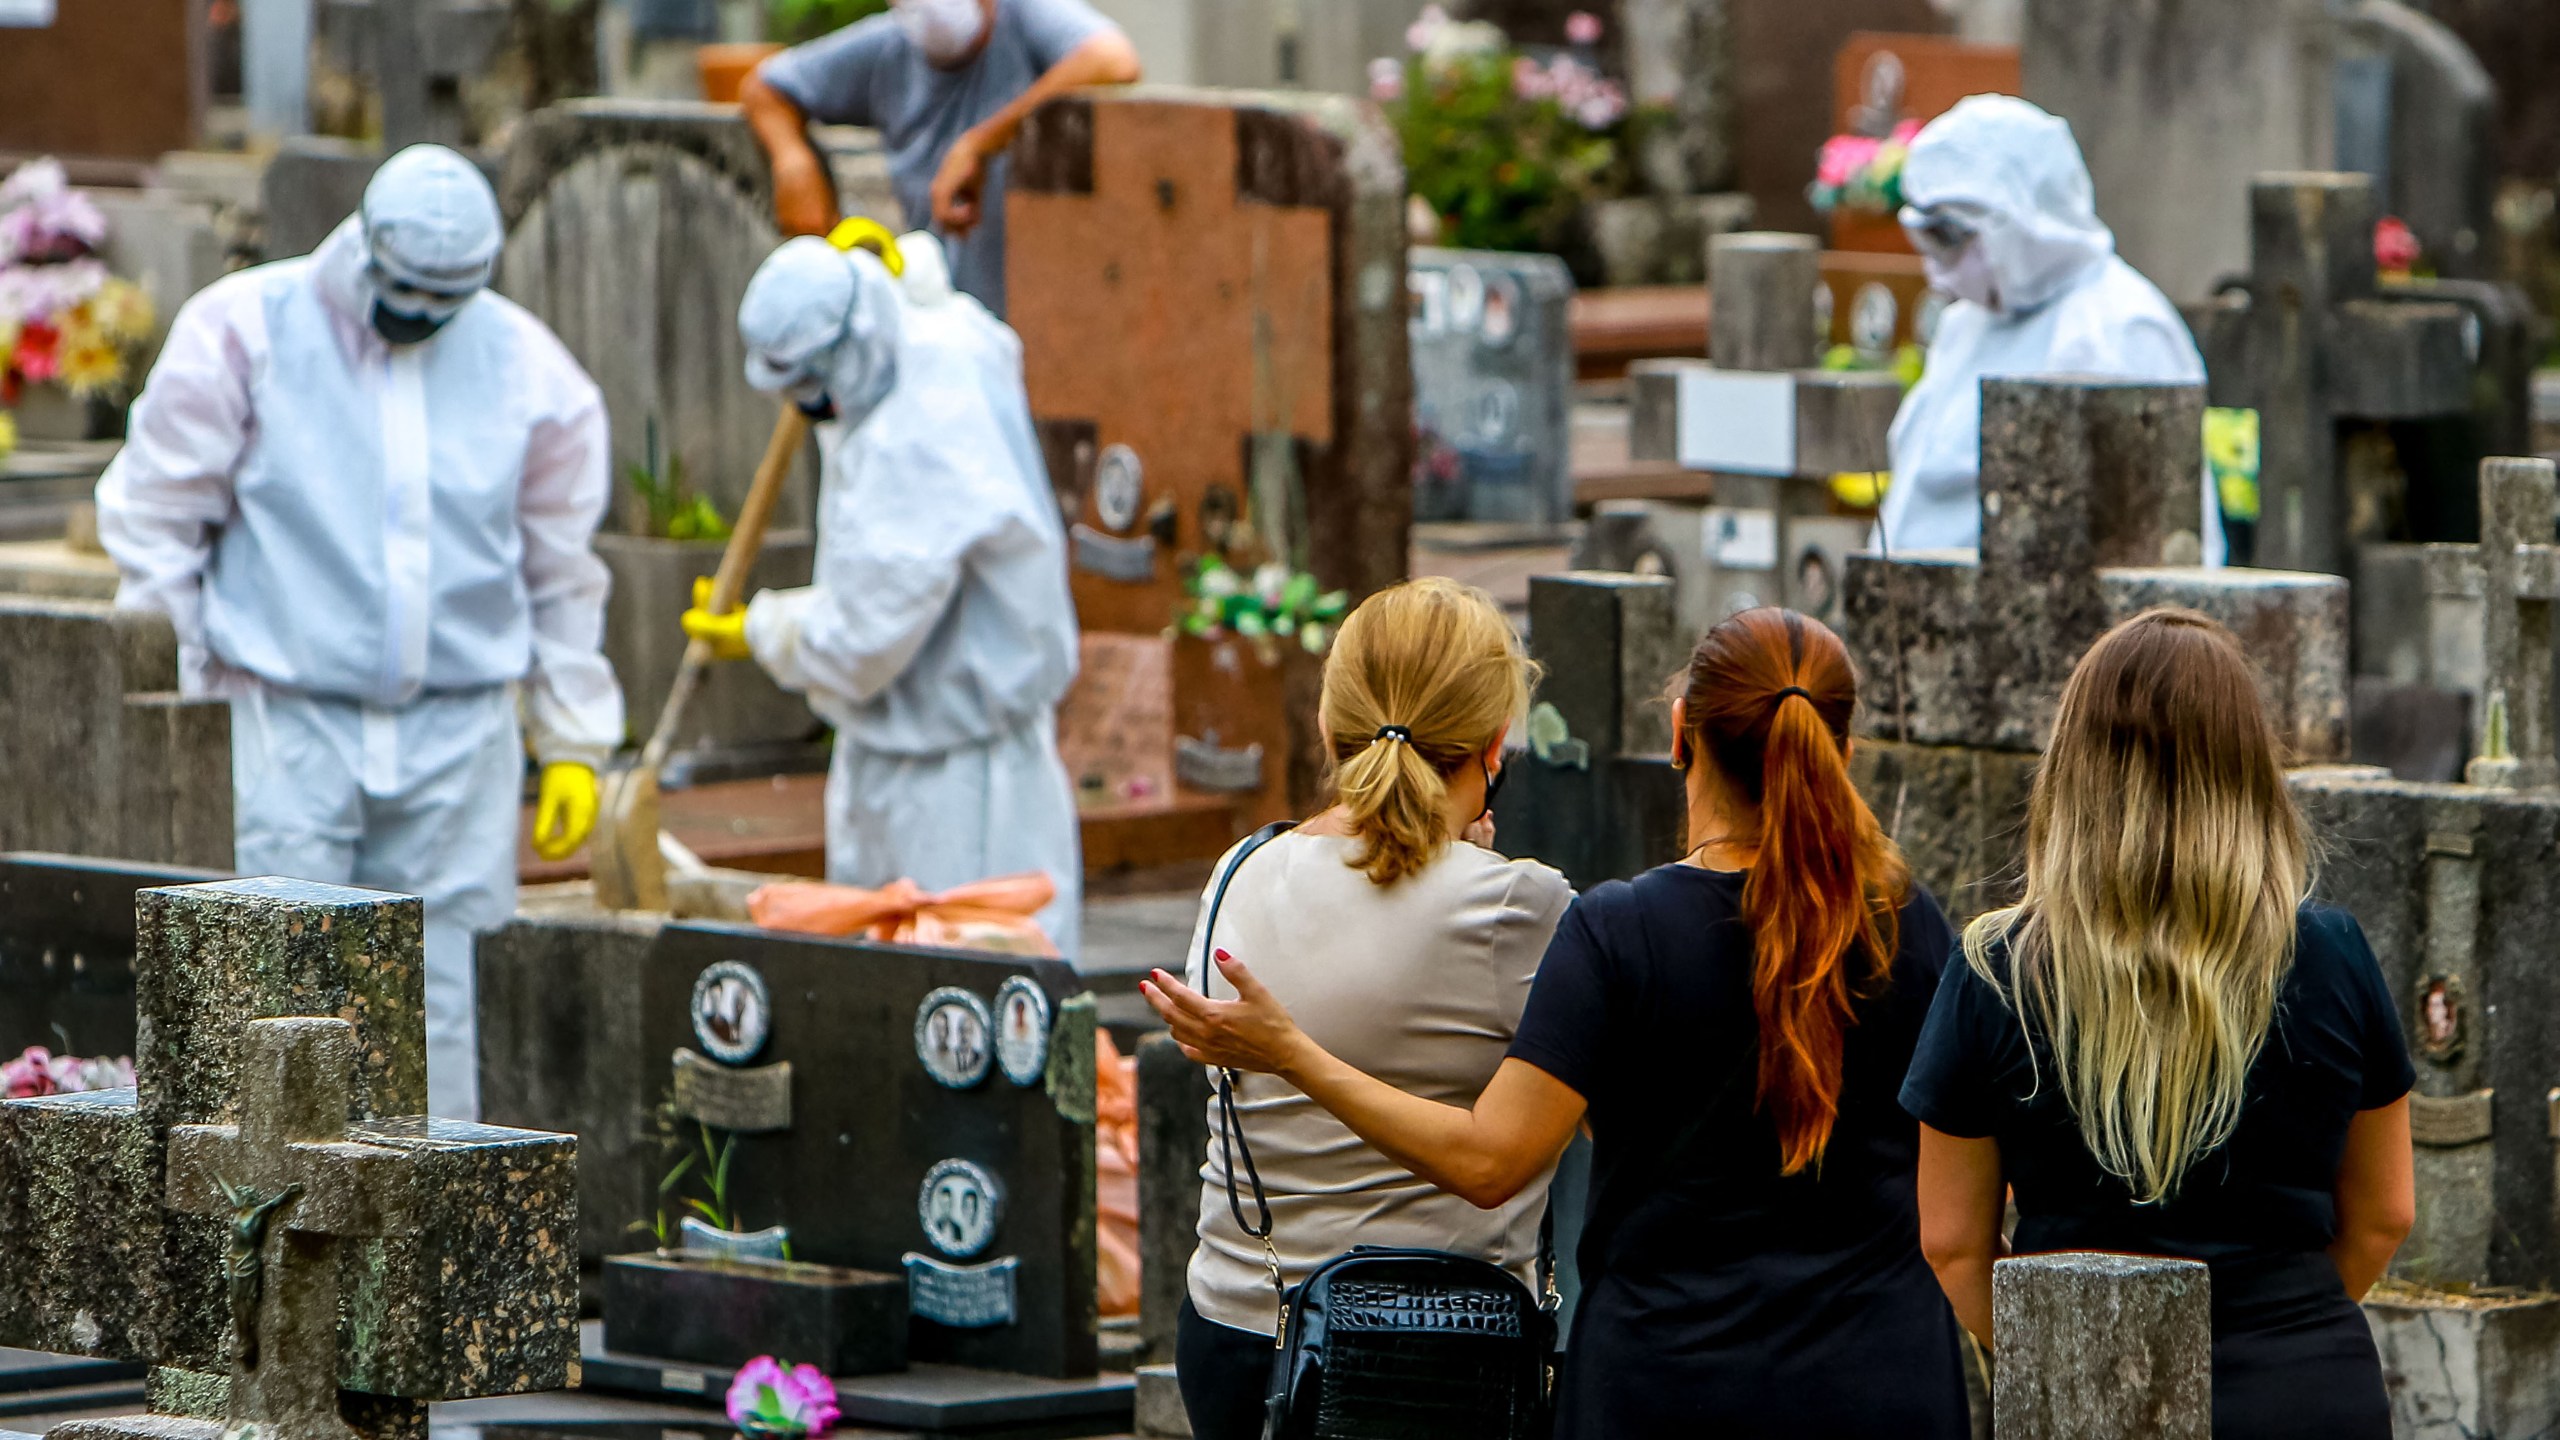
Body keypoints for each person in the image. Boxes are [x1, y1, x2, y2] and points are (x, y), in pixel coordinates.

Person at [1148, 606, 1972, 1439]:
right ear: (1844, 754)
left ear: (1680, 733)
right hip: (1879, 1370)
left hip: (1657, 1376)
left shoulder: (1619, 933)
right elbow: (1962, 1194)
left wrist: (1295, 1051)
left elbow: (1497, 1155)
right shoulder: (1914, 924)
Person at [96, 144, 623, 1120]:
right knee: (273, 989)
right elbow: (157, 521)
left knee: (443, 993)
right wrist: (188, 693)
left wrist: (576, 736)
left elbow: (560, 568)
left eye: (443, 298)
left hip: (459, 731)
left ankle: (426, 1237)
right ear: (365, 246)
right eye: (404, 290)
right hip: (284, 713)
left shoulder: (526, 369)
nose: (418, 314)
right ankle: (260, 1247)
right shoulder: (247, 328)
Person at [1901, 608, 2416, 1440]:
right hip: (2302, 1390)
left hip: (2081, 1401)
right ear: (2248, 766)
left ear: (2073, 765)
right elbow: (2386, 1213)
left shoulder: (1995, 968)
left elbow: (1953, 1242)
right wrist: (2270, 1336)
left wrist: (2058, 1356)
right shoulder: (2331, 953)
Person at [1137, 577, 1571, 1440]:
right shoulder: (1519, 906)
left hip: (1236, 1329)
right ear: (1494, 747)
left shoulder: (1238, 875)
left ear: (1330, 733)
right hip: (1437, 1348)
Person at [683, 231, 1083, 953]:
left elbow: (861, 640)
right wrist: (887, 269)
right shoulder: (942, 336)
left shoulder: (914, 444)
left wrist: (764, 631)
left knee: (952, 988)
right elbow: (938, 294)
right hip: (949, 743)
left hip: (948, 786)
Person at [1878, 94, 2223, 560]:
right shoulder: (1968, 326)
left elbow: (2163, 546)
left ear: (2023, 222)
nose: (1938, 273)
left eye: (1950, 240)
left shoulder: (2117, 327)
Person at [741, 0, 1142, 318]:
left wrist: (982, 143)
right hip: (940, 322)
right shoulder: (887, 49)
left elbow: (1113, 60)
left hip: (1041, 324)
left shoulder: (1025, 16)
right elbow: (764, 87)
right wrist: (792, 161)